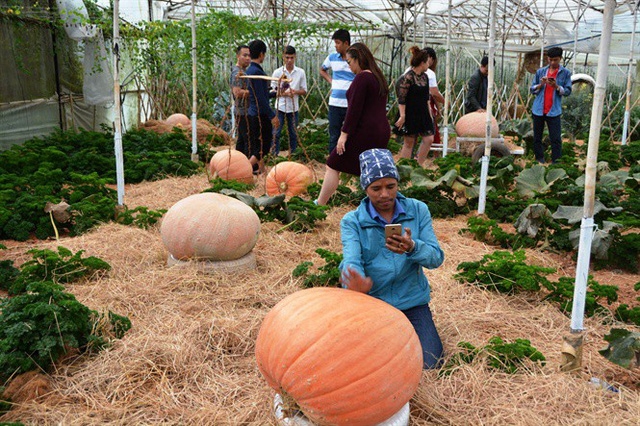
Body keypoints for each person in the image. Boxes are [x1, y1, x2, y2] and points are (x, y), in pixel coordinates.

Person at [339, 148, 445, 369]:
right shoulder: (352, 221)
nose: (385, 194)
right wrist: (355, 281)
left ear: (398, 183)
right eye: (376, 188)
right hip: (374, 304)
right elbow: (351, 258)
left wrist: (413, 247)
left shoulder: (418, 210)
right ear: (365, 188)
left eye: (391, 186)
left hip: (412, 302)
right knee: (369, 365)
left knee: (431, 363)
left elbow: (435, 258)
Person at [316, 43, 391, 205]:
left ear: (358, 59)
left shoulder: (362, 78)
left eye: (349, 62)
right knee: (372, 171)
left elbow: (354, 110)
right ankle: (379, 205)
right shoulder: (378, 76)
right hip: (381, 130)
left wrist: (343, 135)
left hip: (365, 131)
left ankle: (320, 204)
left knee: (333, 164)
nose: (349, 67)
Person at [530, 46, 572, 164]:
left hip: (554, 111)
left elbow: (568, 91)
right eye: (551, 60)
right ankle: (539, 159)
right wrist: (541, 84)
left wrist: (556, 86)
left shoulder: (565, 73)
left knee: (556, 139)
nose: (553, 62)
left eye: (556, 60)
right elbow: (532, 89)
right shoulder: (540, 72)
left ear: (560, 59)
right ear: (548, 59)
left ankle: (556, 162)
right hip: (538, 109)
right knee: (537, 137)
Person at [395, 46, 436, 166]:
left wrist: (430, 114)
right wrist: (402, 116)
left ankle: (418, 165)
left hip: (423, 112)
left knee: (429, 139)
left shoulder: (425, 77)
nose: (429, 64)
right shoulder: (407, 78)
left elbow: (426, 98)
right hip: (410, 112)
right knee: (409, 142)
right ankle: (405, 168)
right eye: (427, 62)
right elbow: (401, 99)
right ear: (422, 63)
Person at [246, 39, 279, 173]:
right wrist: (272, 115)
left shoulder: (251, 70)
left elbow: (261, 94)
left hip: (253, 112)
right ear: (261, 54)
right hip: (260, 114)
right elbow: (260, 99)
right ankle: (243, 170)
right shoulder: (257, 72)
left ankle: (261, 169)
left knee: (258, 145)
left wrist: (275, 94)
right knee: (263, 147)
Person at [320, 29, 356, 154]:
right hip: (335, 103)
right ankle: (333, 161)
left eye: (338, 43)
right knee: (334, 135)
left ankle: (348, 161)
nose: (336, 46)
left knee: (350, 134)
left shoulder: (355, 59)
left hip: (350, 104)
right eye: (335, 43)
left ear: (346, 43)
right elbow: (322, 70)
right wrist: (331, 81)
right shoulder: (332, 57)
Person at [271, 45, 307, 155]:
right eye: (287, 57)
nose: (289, 60)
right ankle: (274, 155)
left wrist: (294, 92)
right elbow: (272, 91)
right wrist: (282, 93)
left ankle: (293, 154)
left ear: (295, 57)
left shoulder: (300, 72)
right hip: (280, 107)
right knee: (276, 132)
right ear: (283, 57)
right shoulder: (278, 72)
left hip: (293, 107)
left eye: (291, 57)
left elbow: (304, 90)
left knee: (293, 133)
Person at [229, 45, 251, 156]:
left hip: (244, 111)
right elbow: (237, 92)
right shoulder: (237, 73)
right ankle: (247, 164)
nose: (248, 58)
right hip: (241, 111)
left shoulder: (244, 71)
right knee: (247, 139)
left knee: (242, 140)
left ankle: (238, 162)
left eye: (249, 56)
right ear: (238, 56)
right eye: (245, 55)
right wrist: (252, 92)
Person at [426, 48, 445, 147]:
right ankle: (435, 152)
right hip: (425, 104)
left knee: (413, 134)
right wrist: (444, 101)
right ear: (431, 59)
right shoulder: (430, 73)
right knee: (432, 129)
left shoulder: (409, 69)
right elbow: (434, 93)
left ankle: (411, 156)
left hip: (411, 104)